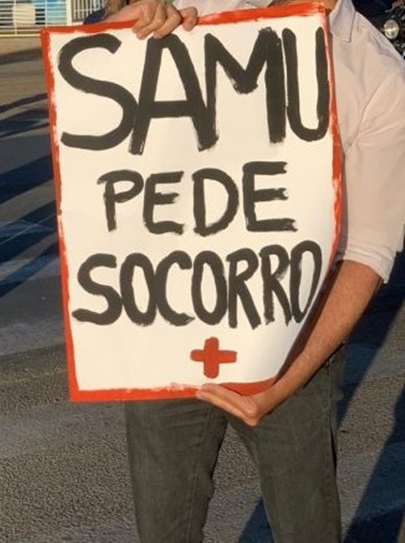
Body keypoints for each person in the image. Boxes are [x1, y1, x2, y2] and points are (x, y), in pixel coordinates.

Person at [96, 0, 405, 540]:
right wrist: (116, 31)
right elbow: (88, 79)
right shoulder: (205, 11)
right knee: (163, 525)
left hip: (295, 339)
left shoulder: (378, 76)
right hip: (167, 326)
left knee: (305, 524)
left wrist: (287, 378)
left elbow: (369, 251)